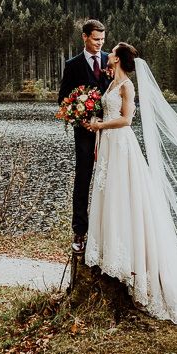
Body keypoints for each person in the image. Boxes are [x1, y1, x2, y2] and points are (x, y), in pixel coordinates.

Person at [84, 43, 177, 326]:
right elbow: (109, 111)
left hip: (121, 147)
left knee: (122, 196)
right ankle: (109, 249)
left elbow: (126, 120)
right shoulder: (111, 82)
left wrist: (99, 126)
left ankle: (130, 262)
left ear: (119, 58)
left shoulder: (127, 85)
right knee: (108, 194)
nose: (109, 53)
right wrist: (97, 122)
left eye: (112, 51)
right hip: (108, 148)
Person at [58, 19, 110, 253]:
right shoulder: (73, 65)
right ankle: (80, 232)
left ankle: (108, 231)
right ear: (85, 37)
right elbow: (63, 99)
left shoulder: (112, 59)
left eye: (102, 39)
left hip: (111, 132)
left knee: (111, 179)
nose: (100, 43)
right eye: (95, 39)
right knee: (83, 180)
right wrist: (82, 118)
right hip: (85, 134)